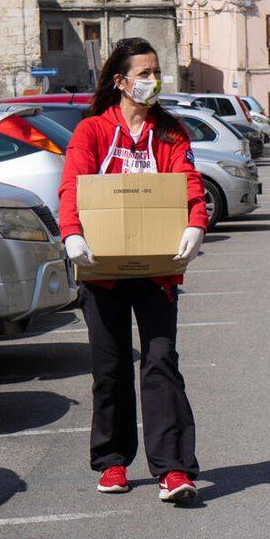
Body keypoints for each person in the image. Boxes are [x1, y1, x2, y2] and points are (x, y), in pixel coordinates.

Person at [58, 37, 208, 503]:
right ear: (120, 81)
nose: (153, 81)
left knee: (162, 361)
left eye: (155, 72)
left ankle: (173, 469)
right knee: (111, 366)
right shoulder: (93, 132)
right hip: (102, 269)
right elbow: (71, 186)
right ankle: (113, 460)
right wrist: (72, 234)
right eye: (143, 74)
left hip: (157, 270)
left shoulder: (170, 132)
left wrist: (195, 224)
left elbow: (189, 182)